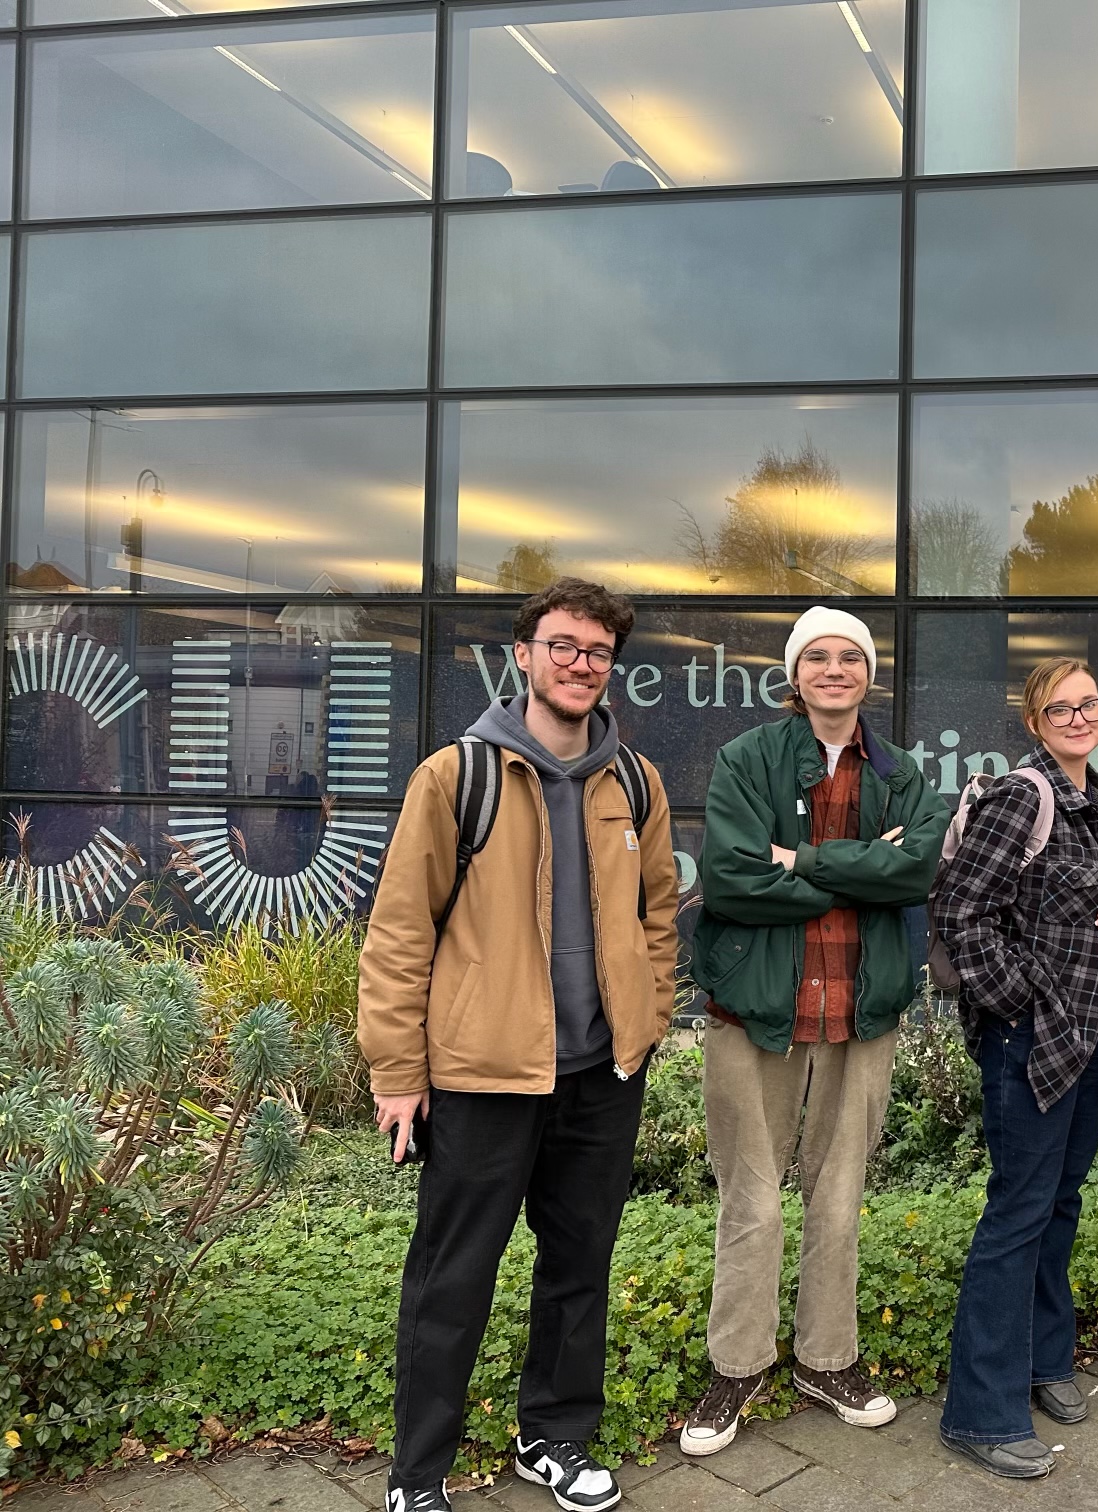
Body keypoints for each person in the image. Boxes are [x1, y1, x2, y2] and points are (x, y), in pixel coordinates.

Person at [358, 578, 683, 1512]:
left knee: (580, 1268)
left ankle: (555, 1438)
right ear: (526, 654)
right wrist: (397, 1073)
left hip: (600, 1075)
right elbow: (399, 935)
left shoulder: (635, 780)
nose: (582, 664)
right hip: (484, 1078)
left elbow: (659, 912)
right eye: (564, 646)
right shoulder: (456, 778)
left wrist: (648, 1018)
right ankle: (417, 1476)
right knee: (452, 1278)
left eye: (598, 652)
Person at [679, 607, 949, 1457]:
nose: (836, 670)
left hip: (859, 1012)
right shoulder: (748, 758)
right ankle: (738, 1364)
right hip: (756, 1013)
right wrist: (861, 872)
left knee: (839, 1196)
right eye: (819, 658)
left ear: (870, 676)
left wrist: (799, 861)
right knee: (750, 1198)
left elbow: (919, 868)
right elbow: (727, 879)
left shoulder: (902, 772)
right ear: (795, 676)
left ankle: (827, 1359)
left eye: (852, 658)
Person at [930, 658, 1098, 1479]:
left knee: (1057, 1205)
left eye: (1090, 705)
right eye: (1059, 709)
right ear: (1034, 722)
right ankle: (979, 1412)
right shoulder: (1016, 799)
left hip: (1095, 1041)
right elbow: (960, 910)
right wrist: (1022, 1002)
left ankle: (1044, 1360)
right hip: (1031, 1042)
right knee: (1018, 1214)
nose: (1078, 718)